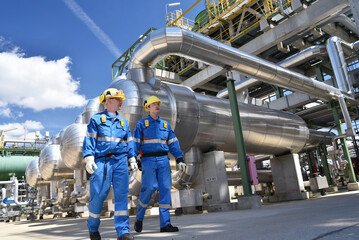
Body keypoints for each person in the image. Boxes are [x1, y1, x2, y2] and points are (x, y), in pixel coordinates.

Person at [83, 88, 138, 240]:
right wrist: (89, 157)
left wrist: (132, 158)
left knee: (122, 195)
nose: (121, 102)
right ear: (109, 101)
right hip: (102, 161)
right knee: (99, 195)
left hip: (120, 161)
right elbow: (89, 140)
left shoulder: (123, 122)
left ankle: (123, 232)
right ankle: (93, 228)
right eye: (118, 99)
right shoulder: (96, 119)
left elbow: (129, 141)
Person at [132, 96, 186, 233]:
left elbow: (173, 143)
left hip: (163, 161)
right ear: (148, 108)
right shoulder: (141, 124)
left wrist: (179, 158)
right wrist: (133, 158)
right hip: (148, 161)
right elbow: (135, 143)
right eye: (153, 104)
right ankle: (139, 217)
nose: (157, 106)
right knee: (149, 188)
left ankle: (165, 224)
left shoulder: (165, 125)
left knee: (165, 190)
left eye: (158, 104)